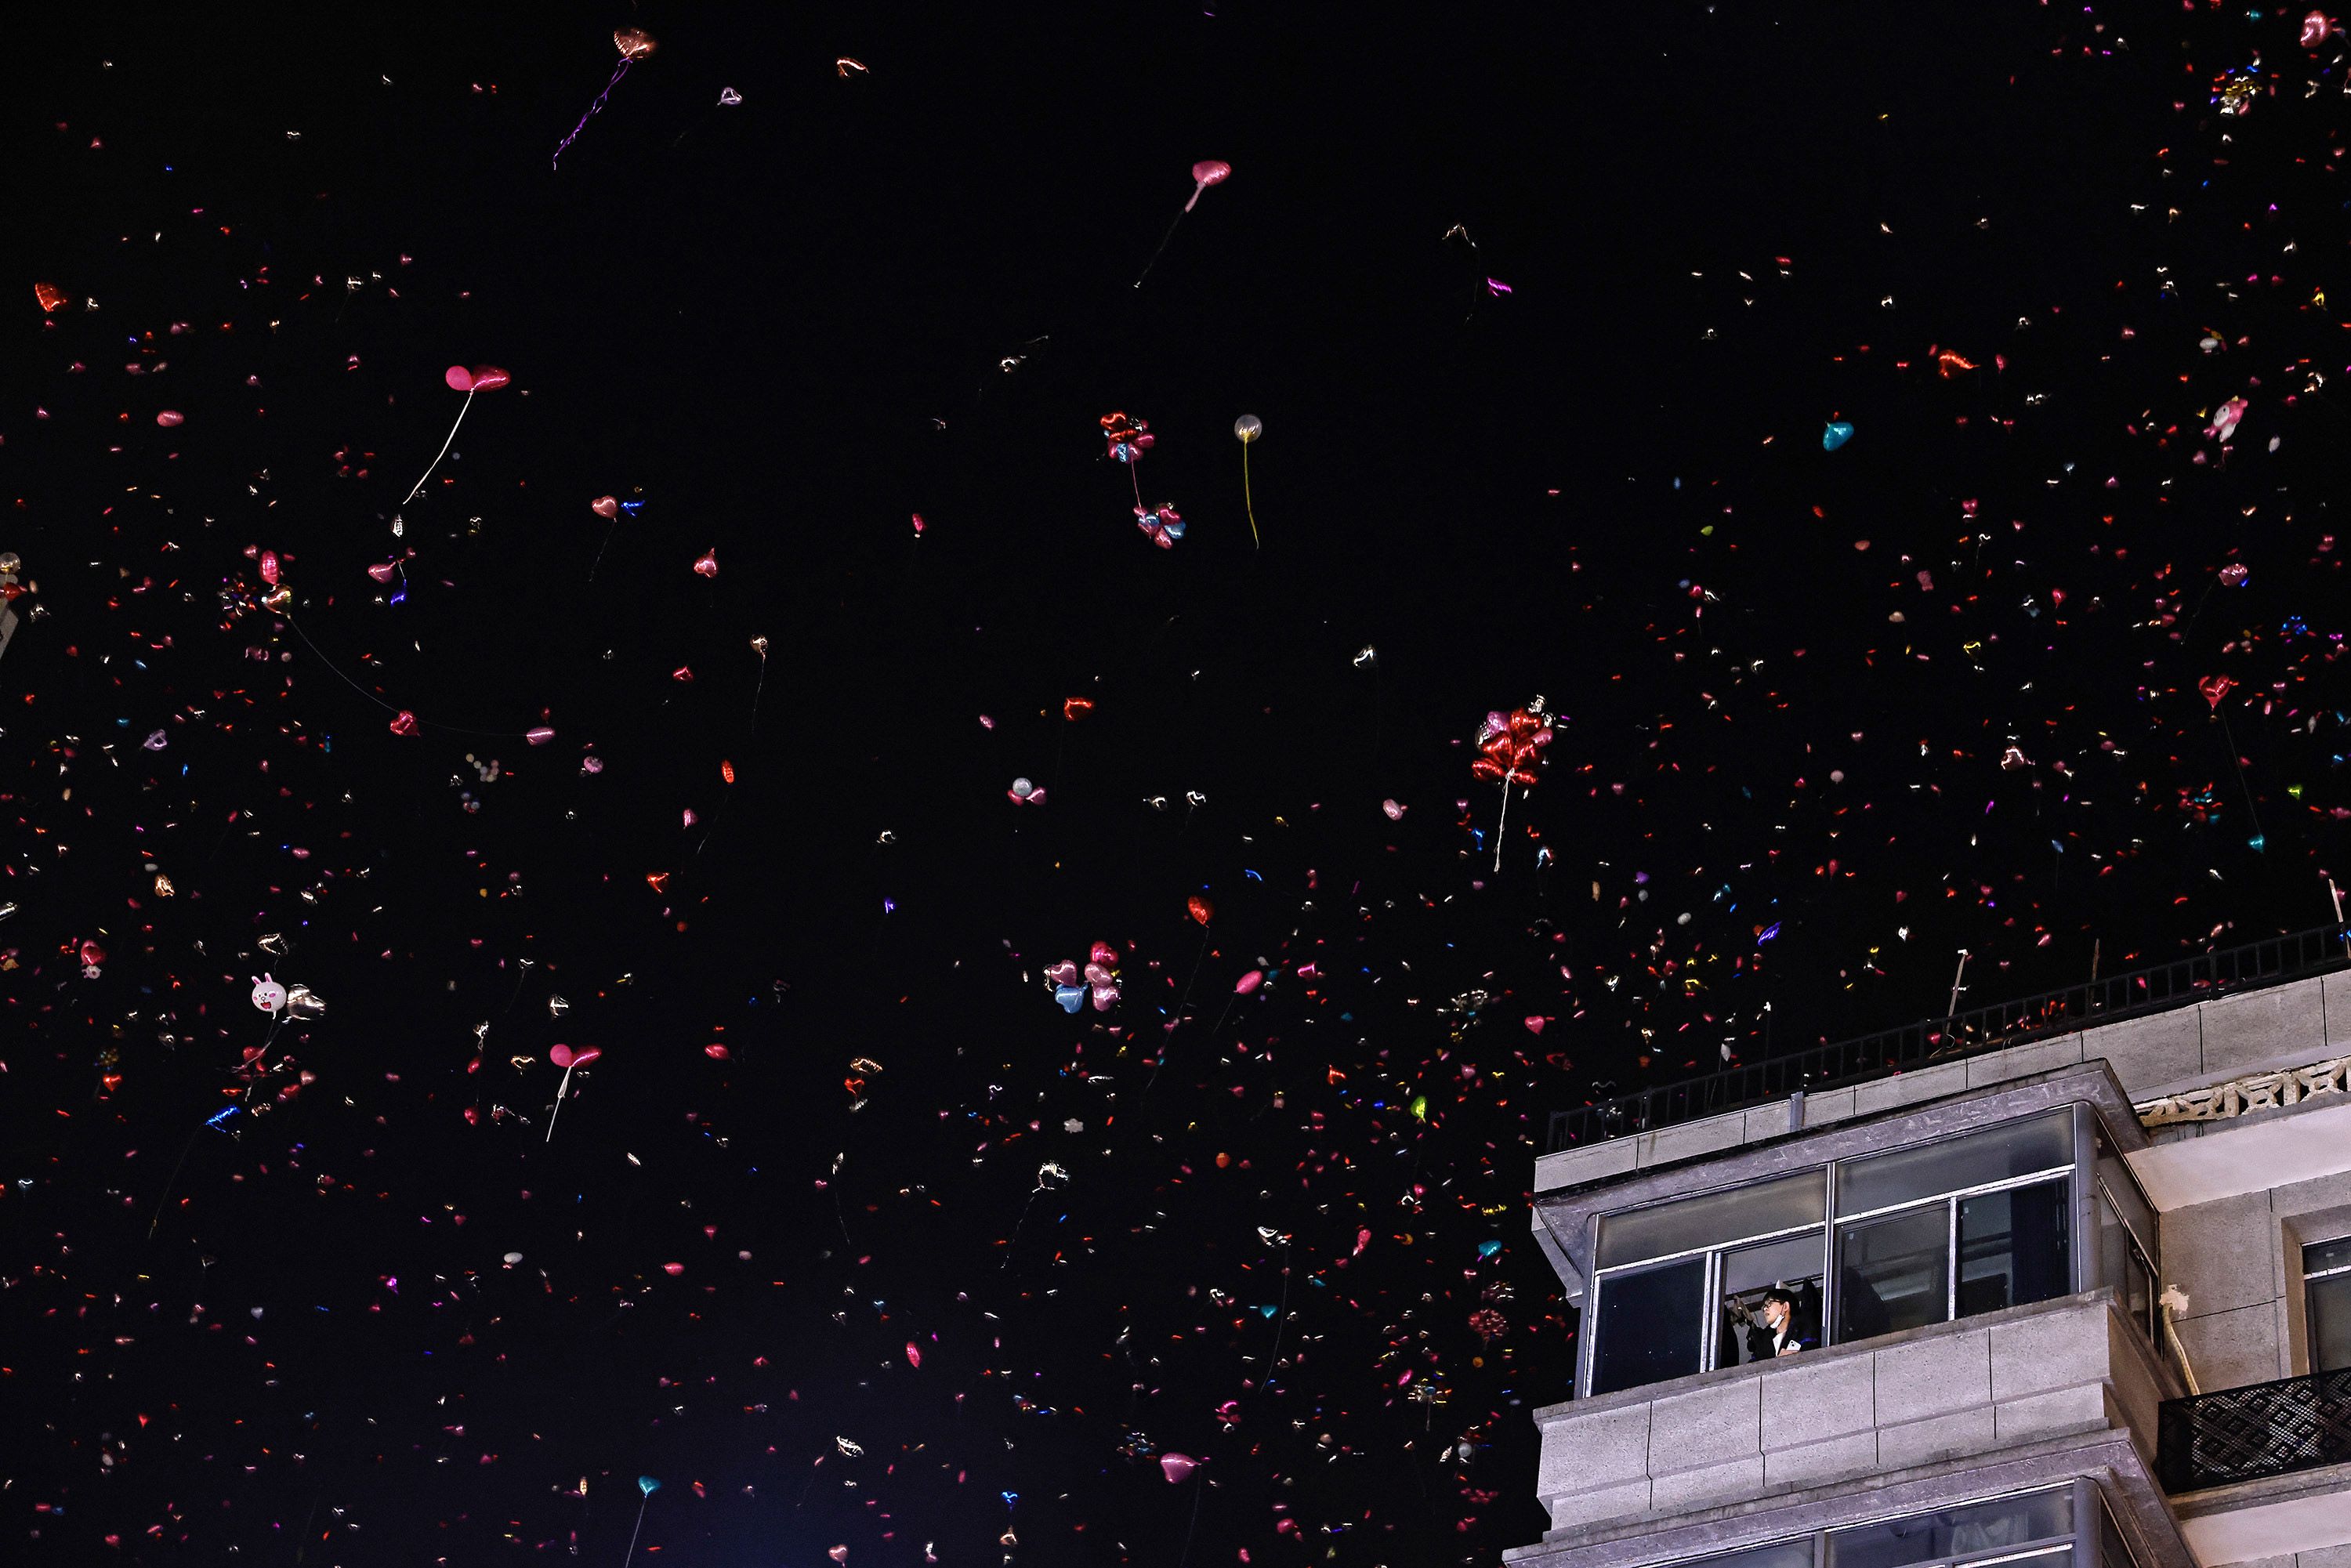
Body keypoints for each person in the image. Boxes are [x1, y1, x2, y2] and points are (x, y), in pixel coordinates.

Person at [1744, 1287, 1817, 1360]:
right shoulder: (1764, 1341)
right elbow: (1752, 1368)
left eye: (1769, 1304)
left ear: (1785, 1306)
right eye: (1764, 1307)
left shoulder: (1804, 1331)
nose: (1765, 1309)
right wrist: (1778, 1361)